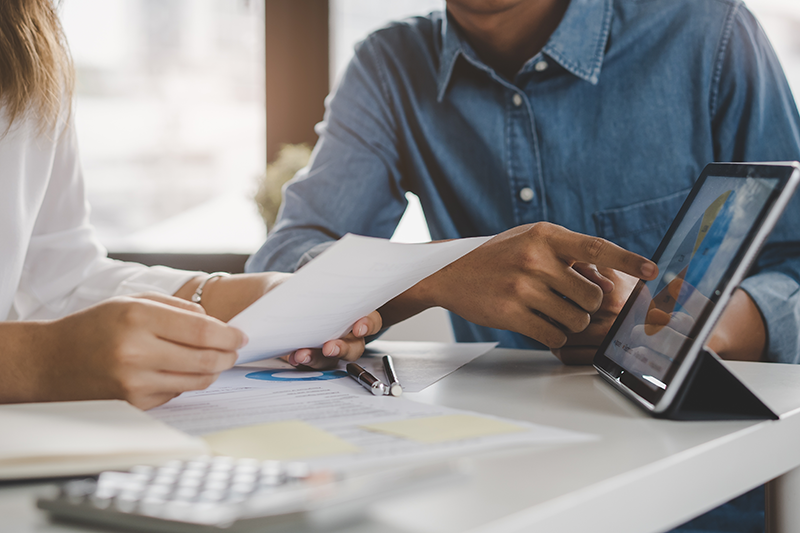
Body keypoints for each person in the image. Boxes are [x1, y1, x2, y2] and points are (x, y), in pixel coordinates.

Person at [248, 0, 800, 369]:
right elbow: (281, 265)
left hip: (714, 482)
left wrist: (683, 332)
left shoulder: (709, 31)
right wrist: (438, 273)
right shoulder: (389, 66)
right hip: (505, 475)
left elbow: (794, 259)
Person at [0, 0, 381, 411]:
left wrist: (234, 300)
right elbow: (49, 336)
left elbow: (55, 281)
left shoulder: (31, 37)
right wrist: (39, 361)